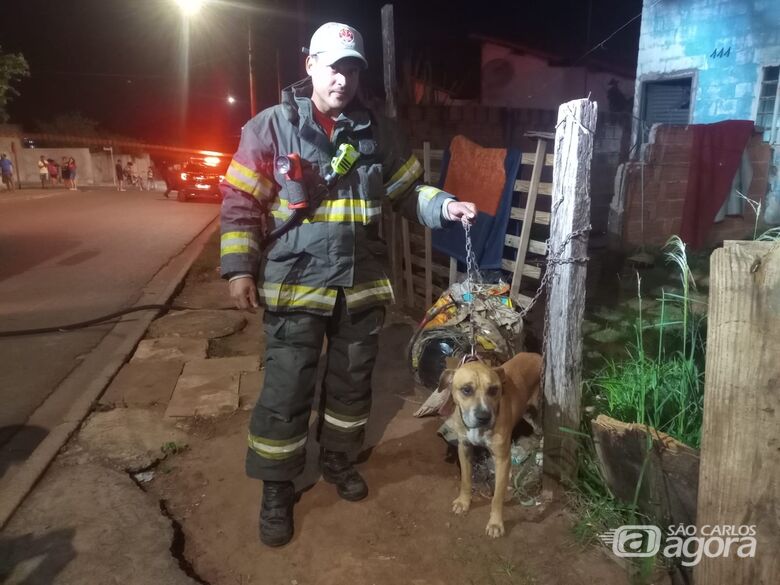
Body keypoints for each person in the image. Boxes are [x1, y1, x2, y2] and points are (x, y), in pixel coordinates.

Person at [220, 21, 477, 548]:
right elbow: (241, 204)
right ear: (310, 65)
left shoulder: (378, 131)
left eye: (353, 69)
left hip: (359, 286)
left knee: (351, 387)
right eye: (334, 66)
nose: (343, 78)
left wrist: (444, 205)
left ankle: (338, 460)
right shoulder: (269, 127)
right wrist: (240, 268)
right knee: (286, 389)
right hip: (296, 286)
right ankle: (276, 487)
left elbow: (409, 190)